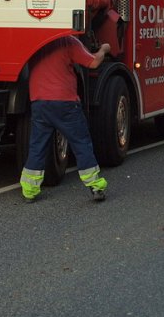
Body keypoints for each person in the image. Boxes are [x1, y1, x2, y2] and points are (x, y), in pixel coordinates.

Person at [20, 36, 110, 203]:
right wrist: (104, 48)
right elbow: (93, 63)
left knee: (37, 146)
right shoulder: (69, 42)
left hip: (39, 102)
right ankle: (95, 186)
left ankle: (29, 190)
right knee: (81, 143)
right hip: (65, 103)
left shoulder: (34, 41)